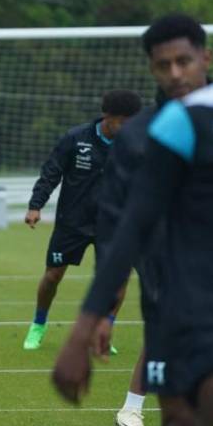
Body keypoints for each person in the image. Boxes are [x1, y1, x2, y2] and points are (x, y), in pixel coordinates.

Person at [53, 13, 212, 426]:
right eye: (163, 65)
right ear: (151, 70)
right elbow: (120, 225)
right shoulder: (141, 138)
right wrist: (102, 310)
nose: (176, 74)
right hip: (166, 299)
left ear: (205, 58)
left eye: (184, 60)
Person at [22, 89, 143, 351]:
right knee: (53, 276)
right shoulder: (76, 138)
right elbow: (51, 172)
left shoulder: (136, 145)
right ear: (106, 116)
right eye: (123, 121)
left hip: (113, 224)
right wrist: (35, 205)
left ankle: (103, 330)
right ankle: (38, 324)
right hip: (72, 222)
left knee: (118, 280)